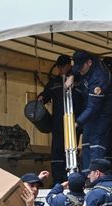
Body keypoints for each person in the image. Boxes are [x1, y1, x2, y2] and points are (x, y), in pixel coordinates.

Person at [65, 50, 112, 174]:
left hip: (102, 112)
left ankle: (97, 177)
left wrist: (77, 122)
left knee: (96, 144)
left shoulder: (99, 77)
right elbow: (76, 71)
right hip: (89, 112)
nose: (79, 70)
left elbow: (94, 107)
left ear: (89, 63)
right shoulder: (83, 66)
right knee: (86, 143)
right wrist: (71, 76)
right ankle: (88, 176)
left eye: (81, 67)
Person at [38, 55, 83, 184]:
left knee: (72, 150)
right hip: (57, 123)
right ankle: (58, 180)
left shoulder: (79, 81)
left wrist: (81, 121)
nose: (61, 69)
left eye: (63, 66)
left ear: (70, 65)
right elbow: (45, 95)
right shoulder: (54, 83)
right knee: (57, 151)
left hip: (74, 123)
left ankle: (72, 180)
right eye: (59, 67)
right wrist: (41, 98)